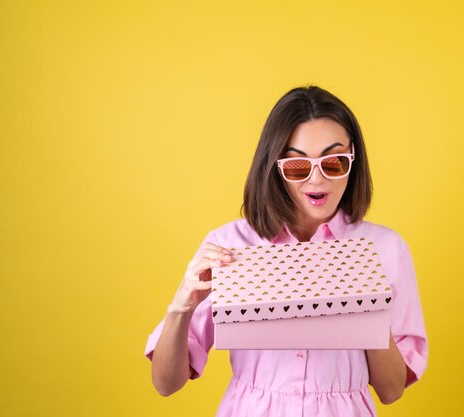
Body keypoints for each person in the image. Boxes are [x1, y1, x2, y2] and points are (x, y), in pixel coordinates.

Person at [144, 85, 428, 417]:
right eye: (297, 166)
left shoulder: (385, 250)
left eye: (333, 162)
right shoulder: (230, 247)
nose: (317, 179)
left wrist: (365, 305)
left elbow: (391, 391)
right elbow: (166, 384)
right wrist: (181, 307)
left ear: (353, 160)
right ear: (275, 167)